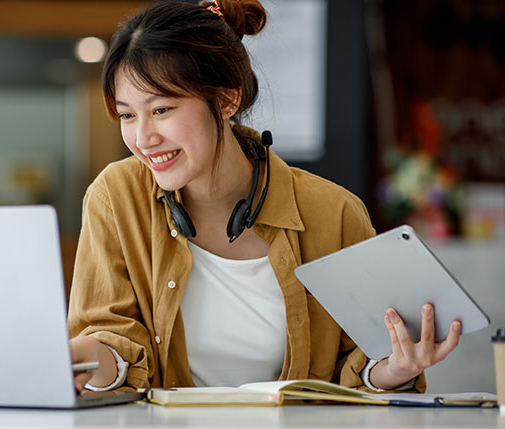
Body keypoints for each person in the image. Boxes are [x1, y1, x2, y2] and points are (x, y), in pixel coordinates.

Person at [68, 0, 460, 393]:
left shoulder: (334, 212)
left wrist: (393, 370)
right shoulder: (115, 198)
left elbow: (361, 363)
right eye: (127, 115)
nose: (142, 139)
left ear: (226, 100)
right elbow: (111, 337)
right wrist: (84, 357)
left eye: (162, 109)